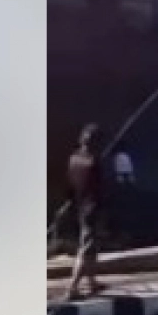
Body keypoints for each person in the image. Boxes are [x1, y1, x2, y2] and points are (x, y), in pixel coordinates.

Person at [63, 123, 106, 300]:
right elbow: (100, 188)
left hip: (79, 206)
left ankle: (92, 281)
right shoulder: (94, 162)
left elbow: (70, 186)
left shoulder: (73, 159)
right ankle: (72, 288)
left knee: (91, 246)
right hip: (92, 208)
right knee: (87, 248)